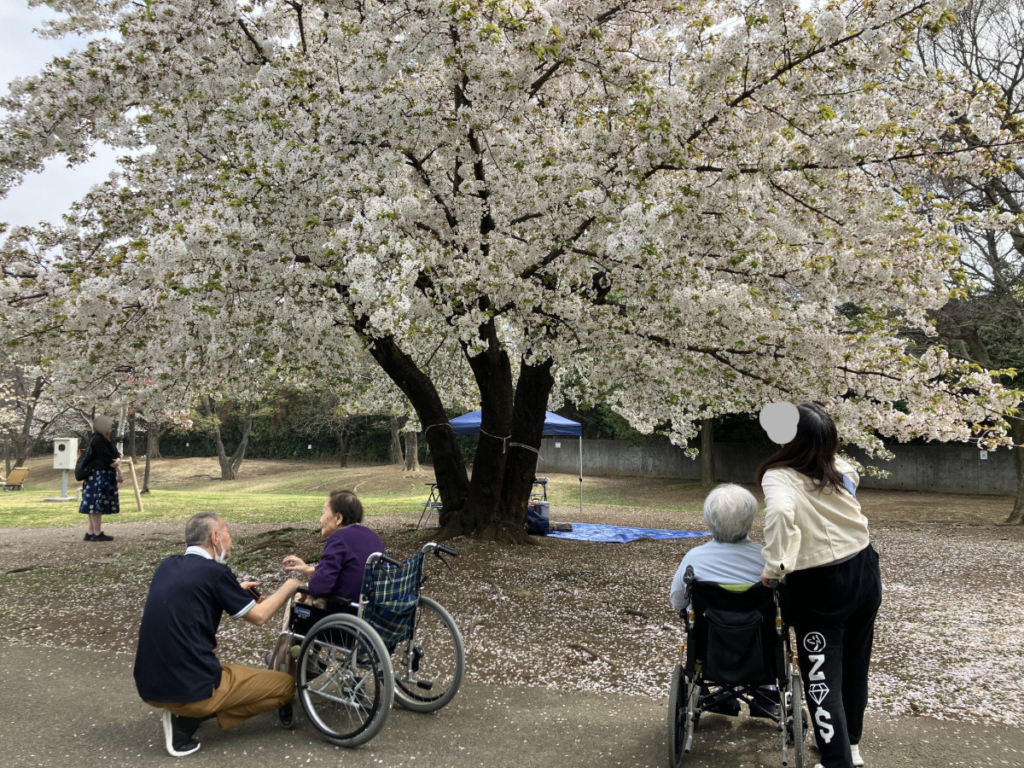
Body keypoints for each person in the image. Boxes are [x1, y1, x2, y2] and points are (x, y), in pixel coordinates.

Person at [757, 403, 881, 768]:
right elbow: (853, 477)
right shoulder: (838, 467)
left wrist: (774, 568)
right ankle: (851, 746)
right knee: (856, 664)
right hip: (864, 567)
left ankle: (836, 760)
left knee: (821, 673)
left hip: (820, 584)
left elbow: (779, 513)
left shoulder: (779, 476)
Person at [133, 512, 302, 758]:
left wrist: (232, 591)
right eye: (227, 532)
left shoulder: (167, 565)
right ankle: (186, 721)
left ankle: (184, 707)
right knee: (286, 687)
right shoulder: (216, 573)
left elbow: (191, 598)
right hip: (192, 685)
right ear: (215, 537)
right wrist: (291, 585)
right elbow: (260, 616)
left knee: (233, 676)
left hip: (149, 684)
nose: (230, 538)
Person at [669, 483, 776, 718]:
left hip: (711, 653)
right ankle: (766, 692)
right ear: (750, 520)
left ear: (709, 520)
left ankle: (716, 694)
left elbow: (678, 601)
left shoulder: (694, 559)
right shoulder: (768, 561)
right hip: (760, 652)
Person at [282, 490, 385, 605]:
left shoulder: (339, 538)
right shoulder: (372, 536)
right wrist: (309, 569)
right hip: (370, 609)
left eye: (323, 512)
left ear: (338, 518)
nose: (320, 520)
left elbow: (318, 588)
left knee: (297, 598)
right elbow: (349, 569)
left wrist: (304, 587)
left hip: (346, 611)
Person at [79, 415, 123, 542]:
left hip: (103, 474)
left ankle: (91, 531)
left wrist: (118, 459)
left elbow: (115, 453)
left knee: (94, 502)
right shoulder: (97, 439)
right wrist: (118, 470)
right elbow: (106, 457)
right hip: (98, 475)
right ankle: (97, 532)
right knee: (96, 503)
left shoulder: (107, 439)